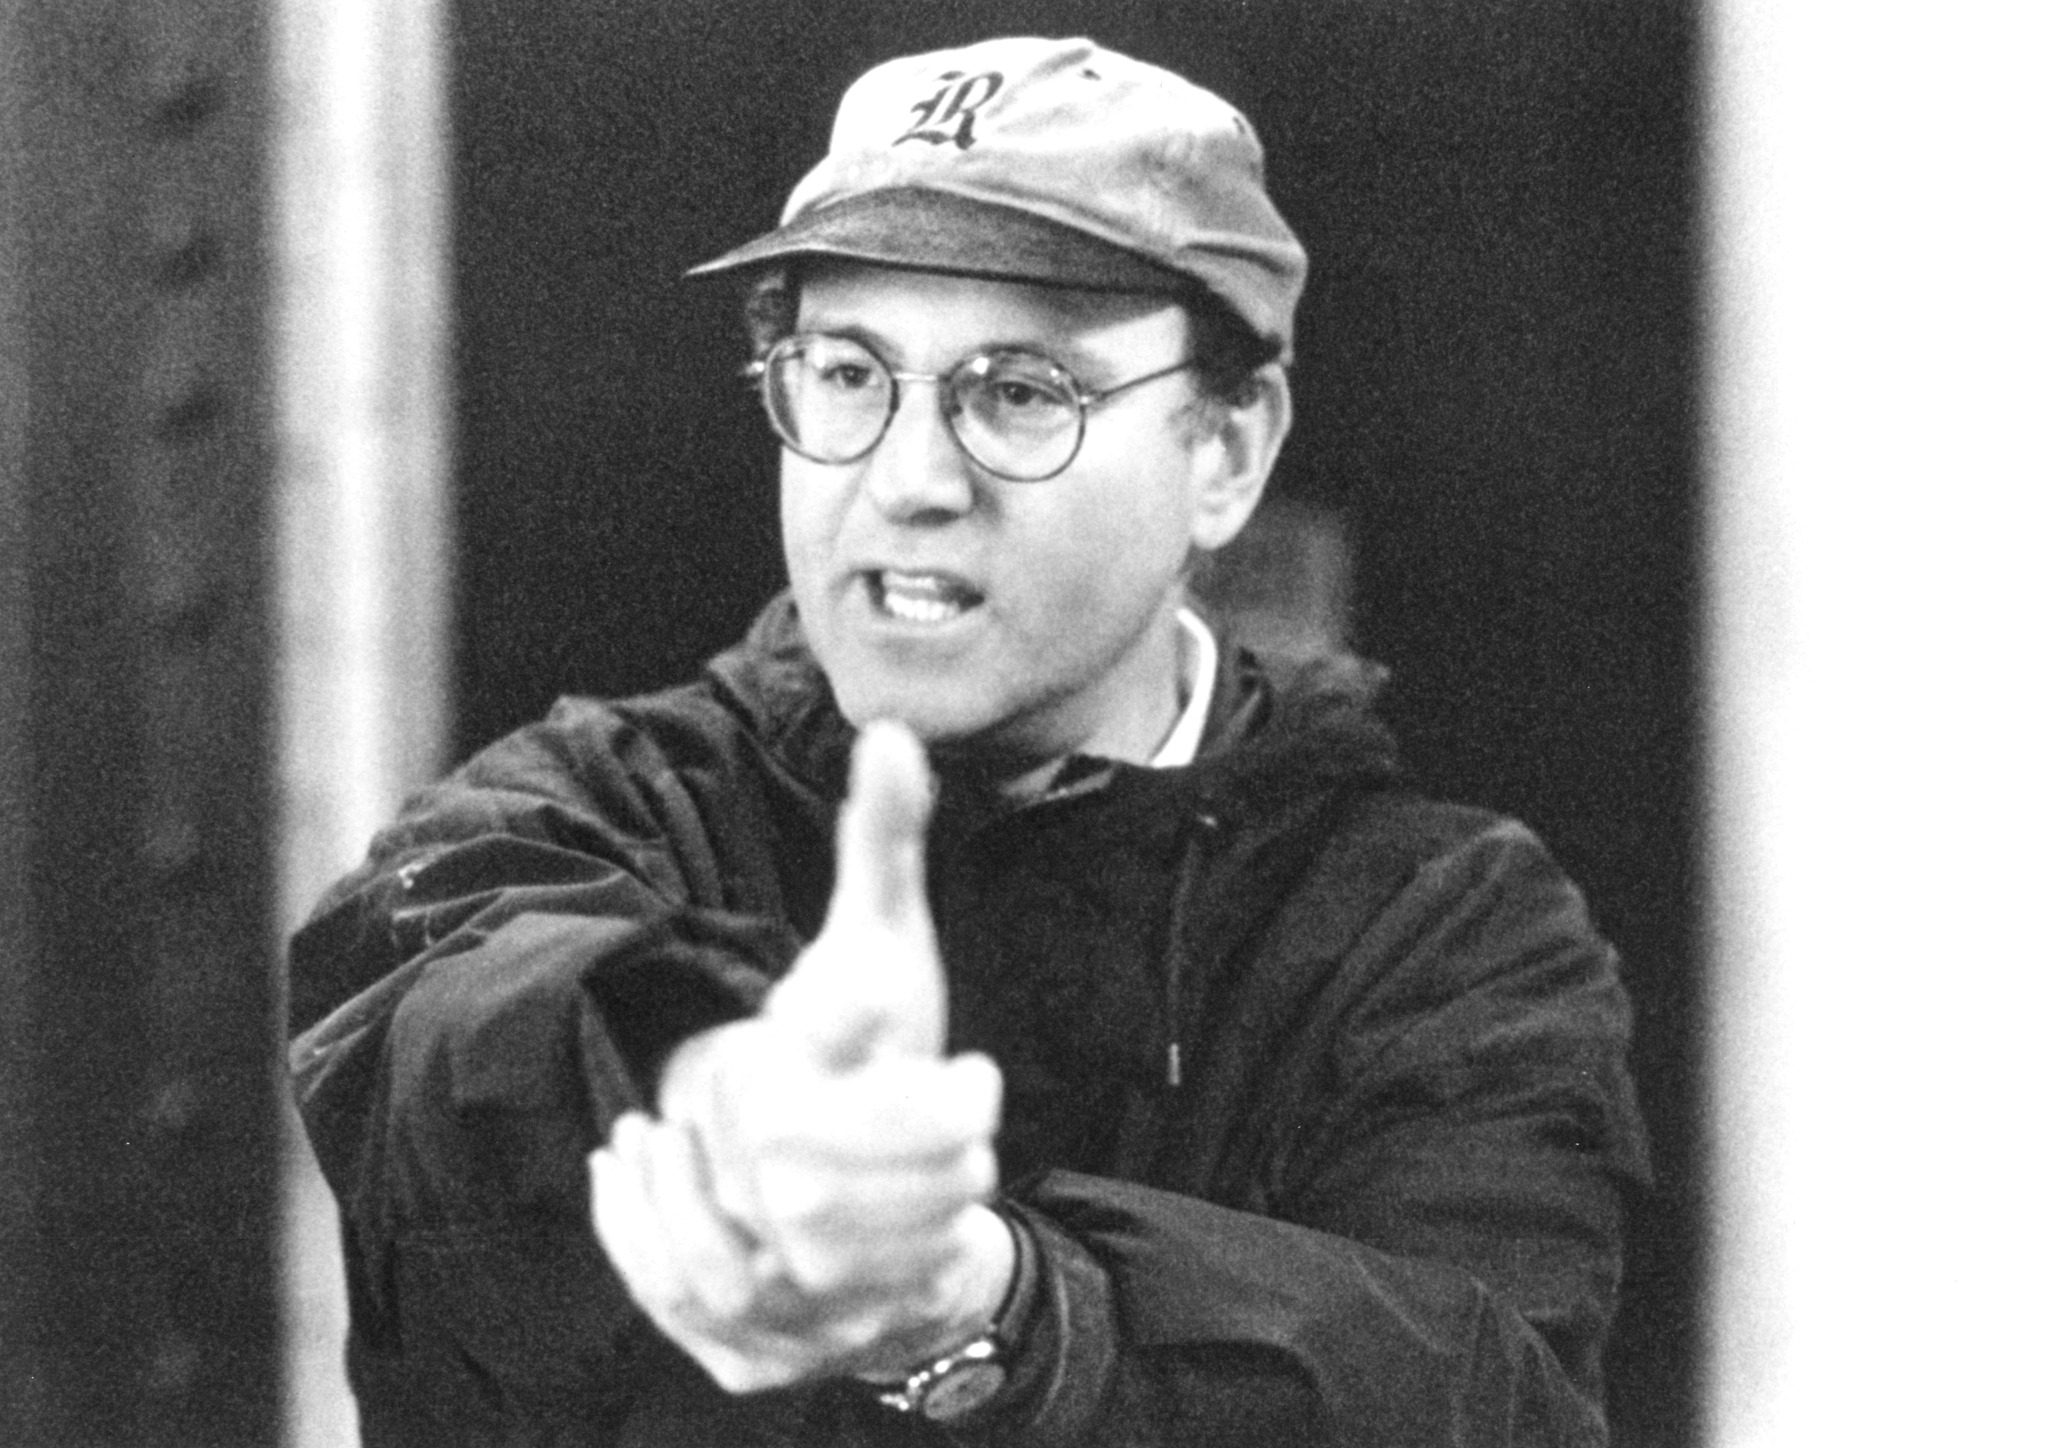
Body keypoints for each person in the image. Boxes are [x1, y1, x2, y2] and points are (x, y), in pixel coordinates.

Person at [288, 35, 1651, 1448]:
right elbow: (442, 1031)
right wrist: (707, 1086)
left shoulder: (1448, 936)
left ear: (1228, 453)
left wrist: (987, 1308)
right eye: (847, 374)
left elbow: (1484, 1395)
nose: (910, 479)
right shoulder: (578, 815)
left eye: (1020, 390)